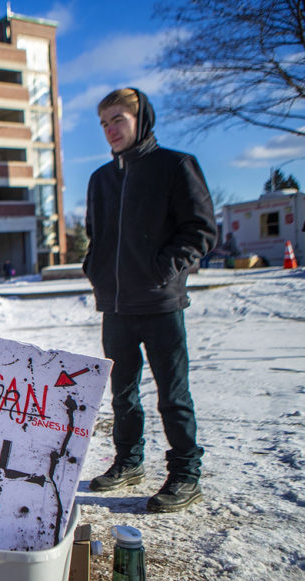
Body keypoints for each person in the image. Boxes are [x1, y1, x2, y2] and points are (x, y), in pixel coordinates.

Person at [83, 88, 217, 512]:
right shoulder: (101, 179)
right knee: (122, 394)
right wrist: (96, 271)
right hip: (117, 308)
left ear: (142, 119)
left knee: (172, 395)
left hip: (161, 305)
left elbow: (200, 230)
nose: (110, 130)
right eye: (104, 123)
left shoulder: (175, 166)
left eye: (117, 120)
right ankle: (129, 462)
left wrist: (164, 270)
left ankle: (185, 474)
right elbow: (96, 237)